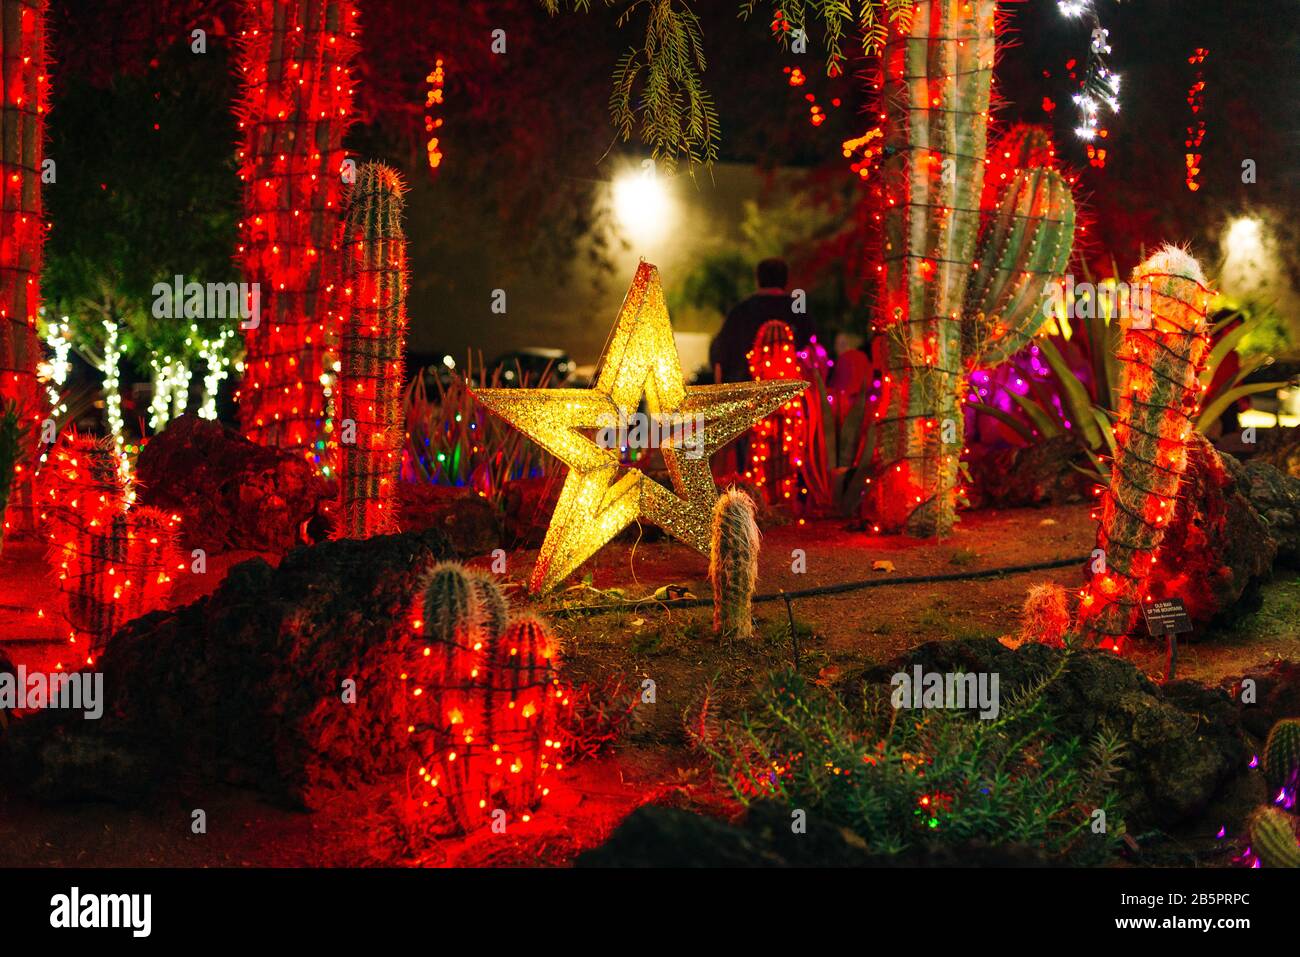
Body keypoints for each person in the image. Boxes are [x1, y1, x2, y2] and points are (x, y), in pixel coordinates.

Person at [708, 258, 816, 383]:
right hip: (792, 392)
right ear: (786, 280)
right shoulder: (798, 310)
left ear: (758, 280)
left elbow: (720, 353)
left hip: (748, 390)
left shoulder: (741, 311)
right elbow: (812, 348)